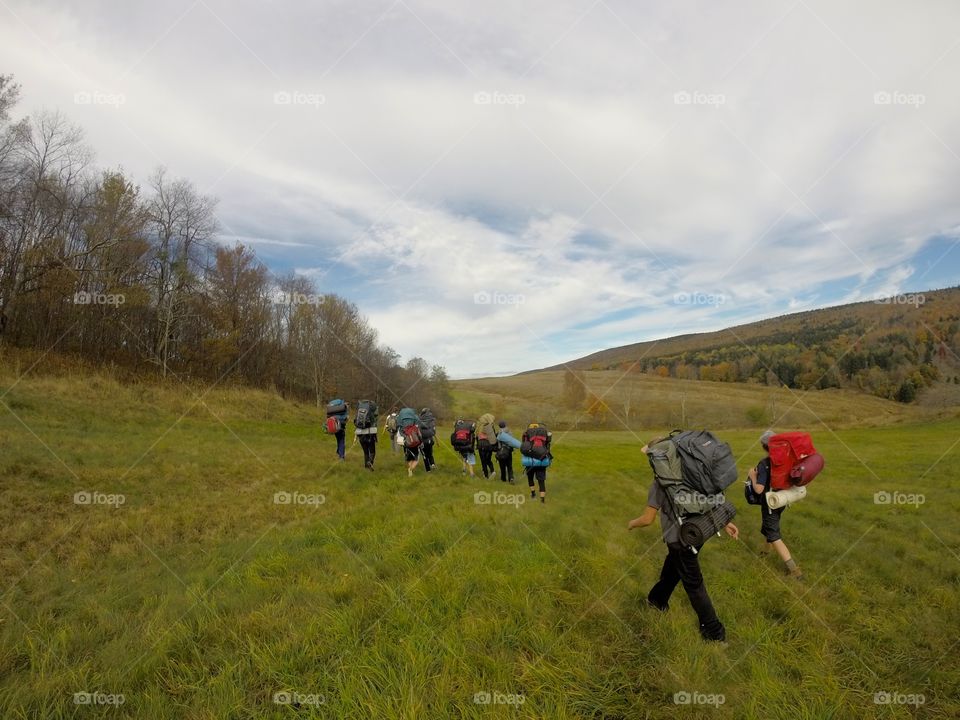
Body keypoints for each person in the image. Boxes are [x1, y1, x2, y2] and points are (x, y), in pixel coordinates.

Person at [628, 442, 739, 642]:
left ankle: (714, 633)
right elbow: (706, 503)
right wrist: (724, 523)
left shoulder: (659, 484)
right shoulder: (693, 476)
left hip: (681, 539)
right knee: (672, 569)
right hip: (699, 533)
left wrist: (631, 524)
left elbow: (647, 519)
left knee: (694, 584)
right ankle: (657, 600)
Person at [748, 430, 804, 580]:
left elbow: (759, 489)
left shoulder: (764, 463)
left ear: (764, 446)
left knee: (774, 535)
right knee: (768, 527)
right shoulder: (786, 460)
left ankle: (795, 571)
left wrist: (753, 477)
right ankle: (765, 553)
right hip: (782, 500)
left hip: (770, 502)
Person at [500, 422, 551, 503]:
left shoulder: (526, 434)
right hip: (541, 460)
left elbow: (524, 446)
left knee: (530, 478)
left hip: (529, 460)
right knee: (541, 480)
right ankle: (542, 500)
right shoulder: (543, 434)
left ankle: (533, 494)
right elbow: (547, 445)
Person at [396, 407, 422, 477]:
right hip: (414, 438)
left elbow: (398, 427)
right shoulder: (415, 416)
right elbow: (418, 427)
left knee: (409, 456)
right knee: (416, 457)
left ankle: (410, 469)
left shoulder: (400, 417)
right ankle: (411, 469)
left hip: (405, 439)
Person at [354, 399, 378, 471]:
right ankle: (370, 462)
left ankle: (366, 467)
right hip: (370, 434)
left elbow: (355, 422)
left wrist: (355, 437)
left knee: (366, 452)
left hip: (360, 434)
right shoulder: (372, 414)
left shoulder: (358, 413)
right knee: (372, 451)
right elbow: (375, 426)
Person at [476, 412, 498, 479]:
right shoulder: (491, 426)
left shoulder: (480, 427)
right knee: (488, 459)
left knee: (483, 461)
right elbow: (494, 437)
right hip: (489, 445)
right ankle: (492, 470)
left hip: (481, 444)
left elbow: (476, 436)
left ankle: (486, 475)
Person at [419, 407, 438, 472]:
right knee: (430, 453)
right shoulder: (431, 421)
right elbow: (434, 432)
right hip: (430, 440)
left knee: (424, 455)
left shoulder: (418, 420)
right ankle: (432, 463)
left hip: (421, 441)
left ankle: (428, 470)